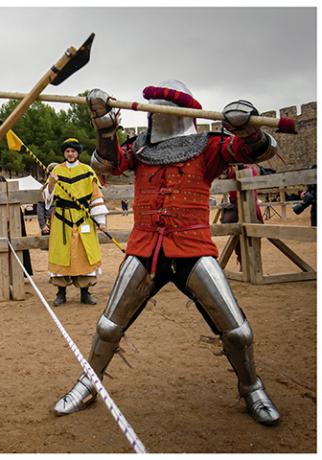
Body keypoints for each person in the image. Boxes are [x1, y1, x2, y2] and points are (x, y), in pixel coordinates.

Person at [53, 81, 281, 425]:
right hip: (145, 248)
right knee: (108, 326)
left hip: (193, 247)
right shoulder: (140, 148)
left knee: (238, 331)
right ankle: (89, 383)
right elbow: (107, 163)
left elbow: (256, 152)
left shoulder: (209, 147)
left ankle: (252, 388)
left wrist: (247, 128)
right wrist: (104, 124)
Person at [44, 139, 109, 306]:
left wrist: (100, 220)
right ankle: (61, 292)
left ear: (77, 153)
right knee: (62, 253)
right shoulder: (56, 171)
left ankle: (85, 292)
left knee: (84, 253)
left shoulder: (87, 171)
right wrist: (51, 183)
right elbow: (47, 199)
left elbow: (95, 196)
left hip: (83, 218)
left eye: (73, 151)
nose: (70, 154)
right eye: (67, 151)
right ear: (64, 153)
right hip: (61, 219)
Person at [220, 164, 264, 267]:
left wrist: (235, 172)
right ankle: (242, 262)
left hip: (250, 207)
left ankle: (253, 265)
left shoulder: (249, 171)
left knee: (253, 238)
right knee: (238, 237)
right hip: (236, 208)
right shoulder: (230, 173)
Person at [36, 163, 58, 235]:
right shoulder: (45, 188)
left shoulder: (64, 186)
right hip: (49, 223)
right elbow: (40, 207)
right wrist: (43, 225)